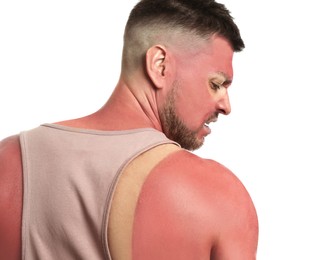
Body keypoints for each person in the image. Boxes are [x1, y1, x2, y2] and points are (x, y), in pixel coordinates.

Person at [0, 0, 259, 259]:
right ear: (160, 65)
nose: (226, 106)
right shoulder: (218, 193)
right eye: (216, 84)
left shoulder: (8, 159)